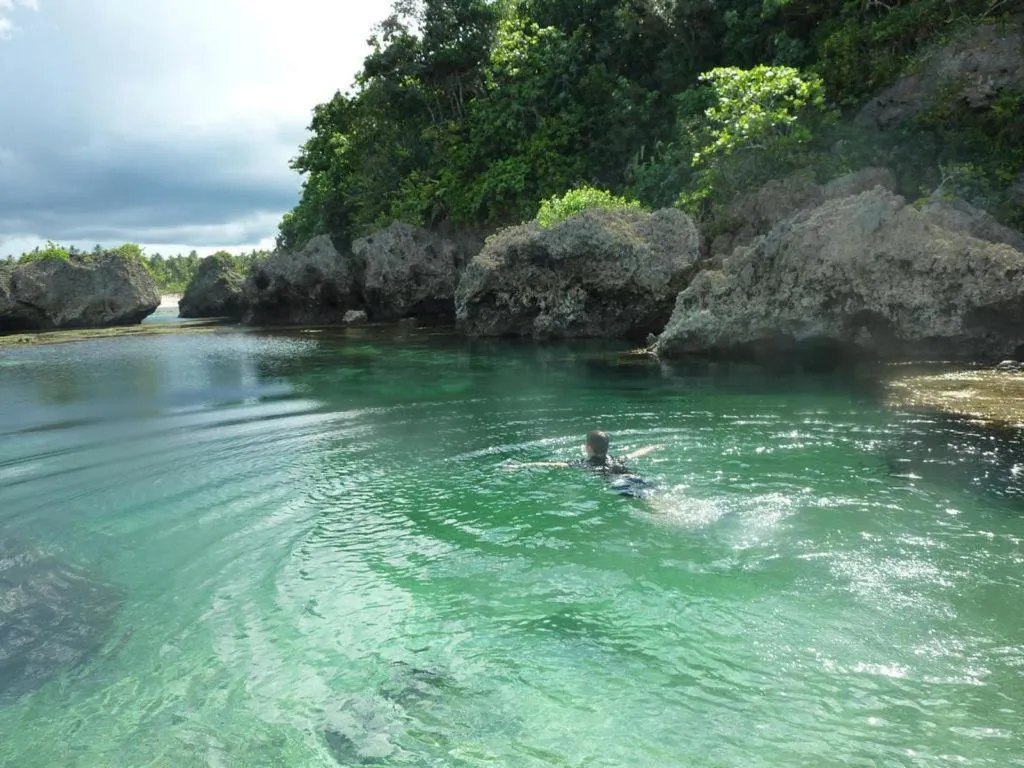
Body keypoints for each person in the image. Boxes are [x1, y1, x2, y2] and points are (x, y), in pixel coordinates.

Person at [505, 430, 664, 497]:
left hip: (619, 484)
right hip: (633, 477)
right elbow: (636, 453)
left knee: (651, 504)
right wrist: (652, 447)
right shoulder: (616, 459)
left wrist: (520, 466)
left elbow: (550, 464)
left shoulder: (583, 463)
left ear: (588, 447)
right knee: (654, 498)